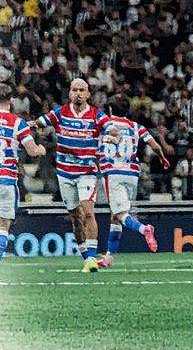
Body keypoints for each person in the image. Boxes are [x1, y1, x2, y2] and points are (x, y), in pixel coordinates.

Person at [31, 78, 117, 273]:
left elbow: (112, 129)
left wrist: (113, 136)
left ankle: (93, 258)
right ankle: (86, 256)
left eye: (82, 90)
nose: (78, 93)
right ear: (69, 93)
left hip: (86, 173)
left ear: (88, 94)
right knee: (75, 217)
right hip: (64, 173)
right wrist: (27, 126)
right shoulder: (61, 113)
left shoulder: (96, 115)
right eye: (74, 89)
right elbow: (39, 122)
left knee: (88, 212)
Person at [96, 96, 170, 268]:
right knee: (116, 216)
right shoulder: (136, 126)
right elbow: (155, 146)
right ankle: (108, 257)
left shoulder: (104, 124)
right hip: (132, 174)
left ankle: (145, 229)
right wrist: (163, 158)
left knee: (120, 214)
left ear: (111, 110)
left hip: (114, 172)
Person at [0, 84, 47, 262]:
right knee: (3, 225)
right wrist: (41, 148)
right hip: (5, 180)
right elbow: (32, 151)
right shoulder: (17, 122)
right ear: (11, 100)